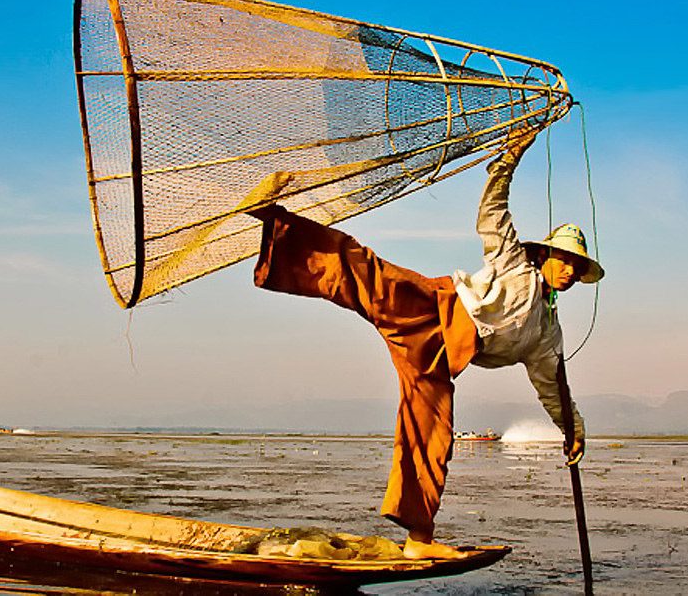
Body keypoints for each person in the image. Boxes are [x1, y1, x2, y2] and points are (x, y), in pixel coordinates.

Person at [247, 127, 604, 559]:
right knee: (366, 272)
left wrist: (573, 430)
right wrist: (508, 160)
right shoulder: (516, 266)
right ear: (546, 256)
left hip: (441, 359)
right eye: (563, 259)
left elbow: (554, 390)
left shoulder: (548, 334)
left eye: (575, 266)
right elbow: (493, 213)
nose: (568, 270)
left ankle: (418, 539)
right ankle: (274, 223)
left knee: (434, 437)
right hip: (435, 309)